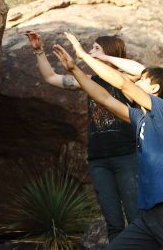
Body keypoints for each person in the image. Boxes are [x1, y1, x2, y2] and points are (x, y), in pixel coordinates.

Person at [53, 32, 163, 250]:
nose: (137, 82)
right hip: (148, 215)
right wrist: (74, 69)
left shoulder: (162, 111)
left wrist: (84, 55)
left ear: (154, 89)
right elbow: (104, 98)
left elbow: (122, 83)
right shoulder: (140, 118)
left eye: (142, 81)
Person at [24, 30, 140, 241]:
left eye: (96, 48)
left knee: (136, 220)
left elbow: (141, 71)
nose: (90, 51)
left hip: (127, 158)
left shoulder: (128, 81)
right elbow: (51, 78)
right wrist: (39, 51)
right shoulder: (89, 80)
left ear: (109, 53)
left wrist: (103, 58)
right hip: (99, 161)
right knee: (113, 224)